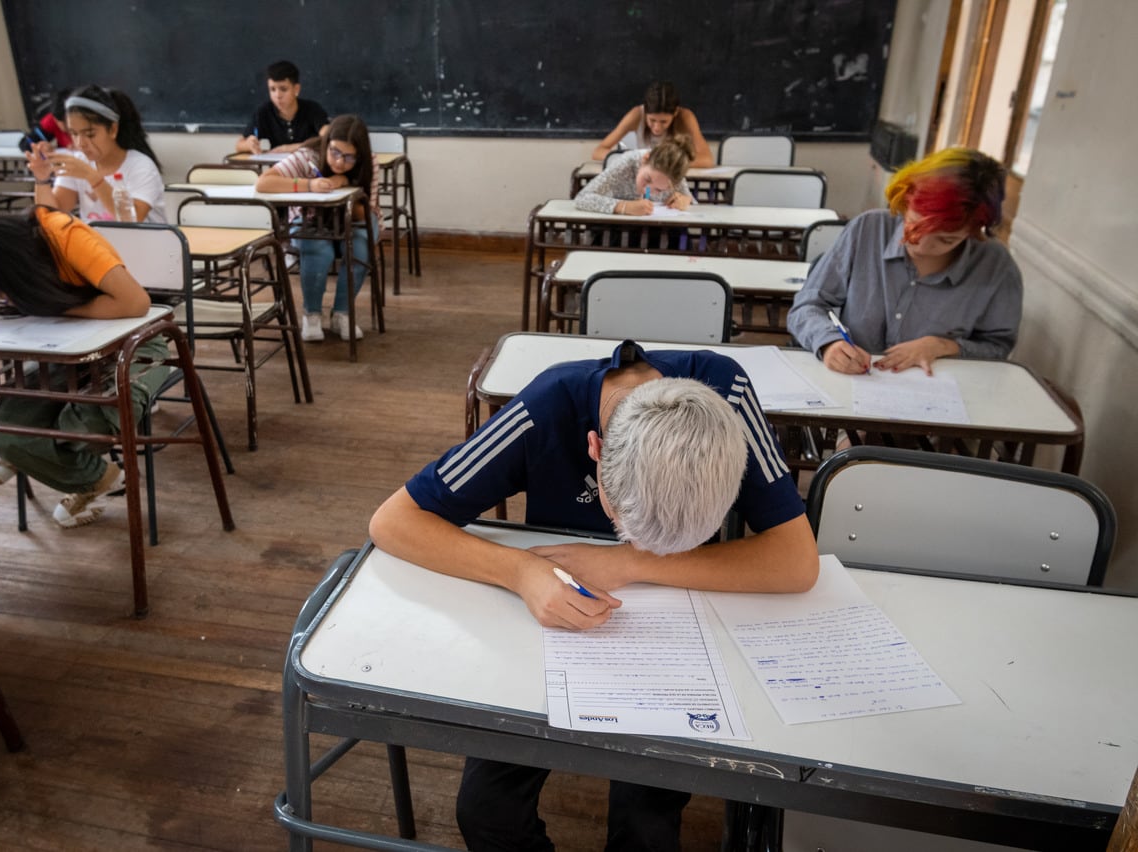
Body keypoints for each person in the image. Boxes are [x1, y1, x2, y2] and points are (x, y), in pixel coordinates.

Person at [369, 341, 819, 851]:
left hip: (672, 647)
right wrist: (521, 571)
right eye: (625, 529)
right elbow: (394, 522)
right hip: (546, 630)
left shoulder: (728, 396)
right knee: (485, 811)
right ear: (596, 450)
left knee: (647, 821)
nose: (640, 548)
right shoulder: (545, 407)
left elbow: (796, 560)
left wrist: (629, 562)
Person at [0, 206, 168, 529]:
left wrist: (56, 309)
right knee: (9, 437)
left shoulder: (64, 237)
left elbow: (135, 303)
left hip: (131, 347)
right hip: (60, 355)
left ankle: (74, 472)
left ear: (15, 265)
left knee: (82, 428)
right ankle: (98, 477)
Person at [787, 146, 1022, 375]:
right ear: (906, 200)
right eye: (913, 225)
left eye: (945, 240)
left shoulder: (996, 266)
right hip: (853, 383)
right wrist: (829, 343)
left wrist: (944, 346)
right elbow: (807, 306)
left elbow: (998, 347)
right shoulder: (868, 229)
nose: (920, 246)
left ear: (973, 232)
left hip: (938, 395)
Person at [254, 114, 379, 342]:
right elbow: (263, 183)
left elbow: (364, 212)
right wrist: (308, 184)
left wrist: (346, 183)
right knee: (318, 249)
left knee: (361, 245)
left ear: (360, 155)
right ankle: (311, 315)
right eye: (335, 152)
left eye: (349, 157)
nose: (340, 162)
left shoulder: (369, 163)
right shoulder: (308, 156)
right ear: (327, 143)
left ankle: (342, 313)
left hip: (350, 223)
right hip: (309, 220)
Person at [25, 85, 166, 224]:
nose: (80, 143)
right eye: (73, 134)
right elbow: (52, 216)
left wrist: (92, 176)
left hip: (141, 245)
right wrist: (42, 179)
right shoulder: (77, 161)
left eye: (90, 134)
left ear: (113, 130)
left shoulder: (141, 166)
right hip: (97, 246)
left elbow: (131, 220)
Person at [593, 81, 714, 168]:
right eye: (652, 120)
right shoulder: (636, 115)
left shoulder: (686, 118)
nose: (657, 127)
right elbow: (598, 152)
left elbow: (707, 160)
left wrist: (668, 162)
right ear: (645, 111)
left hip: (673, 179)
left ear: (675, 113)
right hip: (644, 175)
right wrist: (633, 158)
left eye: (664, 122)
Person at [574, 134, 696, 216]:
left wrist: (685, 201)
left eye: (659, 190)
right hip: (619, 230)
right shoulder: (627, 162)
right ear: (645, 159)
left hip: (657, 232)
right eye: (647, 179)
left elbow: (693, 204)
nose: (647, 189)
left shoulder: (674, 171)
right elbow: (582, 198)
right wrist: (624, 206)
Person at [234, 60, 330, 155]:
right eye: (272, 89)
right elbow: (239, 145)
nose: (278, 95)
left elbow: (328, 138)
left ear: (296, 89)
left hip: (309, 166)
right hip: (277, 167)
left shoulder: (312, 109)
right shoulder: (264, 112)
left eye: (283, 89)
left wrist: (292, 148)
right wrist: (249, 144)